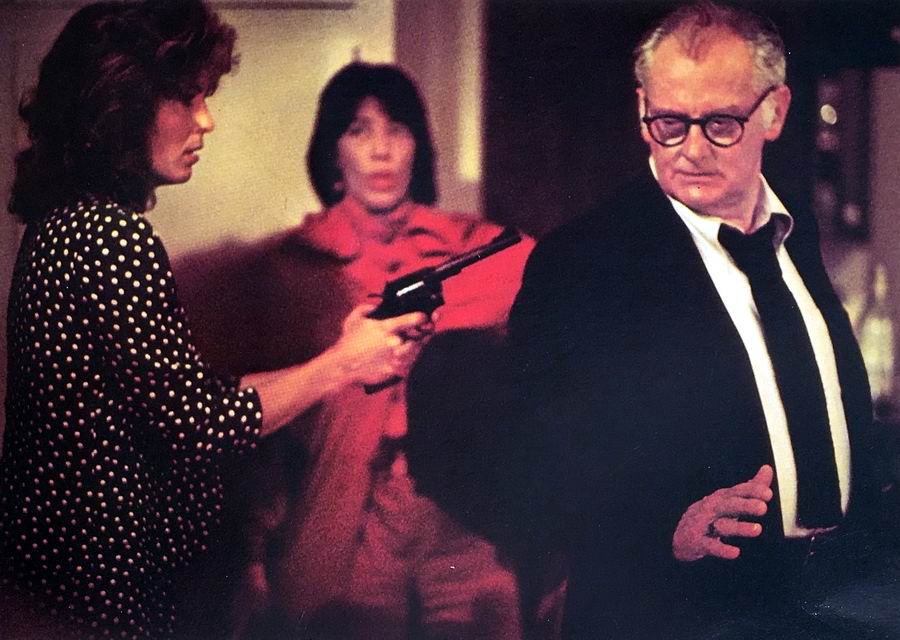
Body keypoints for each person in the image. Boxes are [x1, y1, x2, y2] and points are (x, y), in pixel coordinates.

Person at [0, 4, 430, 639]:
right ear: (122, 103)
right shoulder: (112, 236)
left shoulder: (65, 225)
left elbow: (190, 400)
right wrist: (341, 366)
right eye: (188, 97)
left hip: (69, 585)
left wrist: (338, 356)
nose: (206, 120)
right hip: (107, 596)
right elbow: (204, 425)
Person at [504, 2, 888, 638]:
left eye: (719, 124)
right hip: (677, 614)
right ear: (642, 109)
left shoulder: (795, 230)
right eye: (669, 123)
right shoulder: (582, 259)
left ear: (775, 112)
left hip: (836, 603)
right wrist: (663, 528)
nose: (690, 150)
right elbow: (527, 460)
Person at [173, 62, 534, 640]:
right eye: (359, 130)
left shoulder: (481, 247)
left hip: (461, 517)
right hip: (342, 515)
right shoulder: (288, 269)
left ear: (419, 145)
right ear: (332, 152)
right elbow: (244, 430)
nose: (381, 150)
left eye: (397, 129)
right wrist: (251, 555)